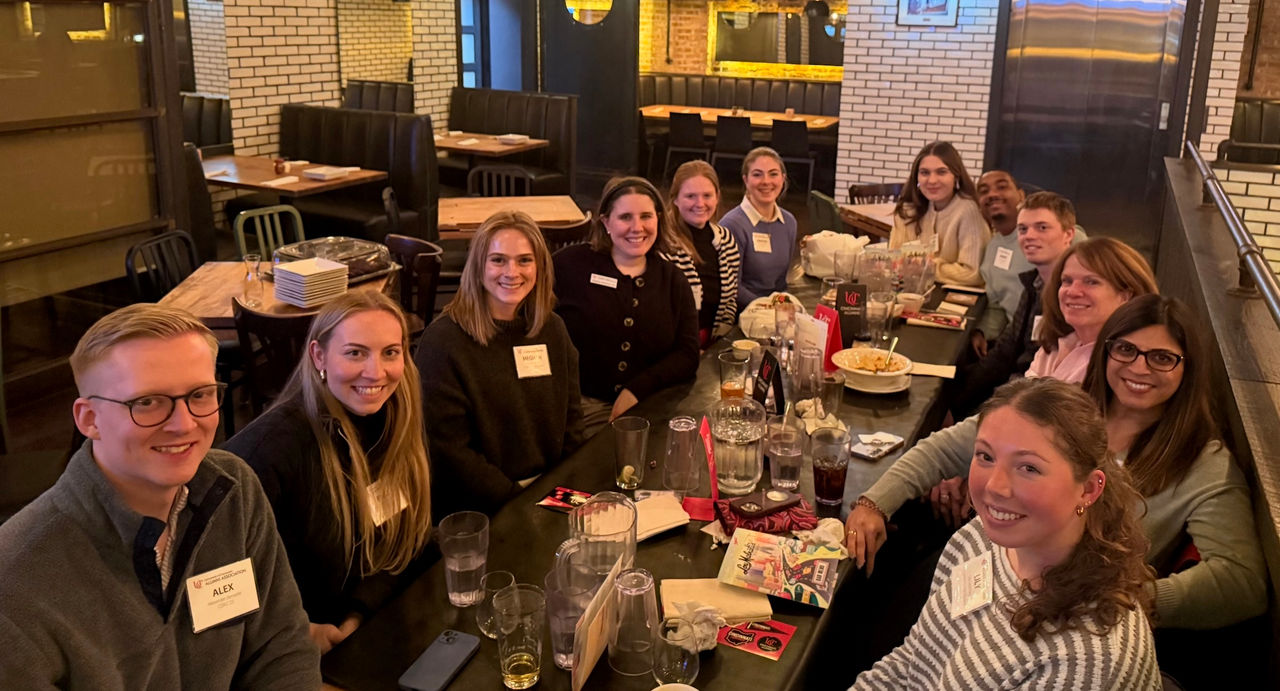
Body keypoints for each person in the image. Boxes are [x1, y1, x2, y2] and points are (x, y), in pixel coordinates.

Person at [847, 296, 1267, 630]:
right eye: (1125, 349)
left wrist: (1117, 597)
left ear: (1187, 370)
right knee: (875, 607)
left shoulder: (1202, 460)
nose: (1139, 367)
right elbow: (945, 447)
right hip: (983, 575)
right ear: (1105, 352)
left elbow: (1241, 582)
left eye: (1161, 357)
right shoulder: (1065, 409)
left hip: (1060, 621)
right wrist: (873, 504)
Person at [0, 304, 319, 687]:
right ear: (89, 419)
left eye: (199, 395)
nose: (184, 424)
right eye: (147, 402)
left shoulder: (234, 489)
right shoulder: (16, 581)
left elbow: (282, 645)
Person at [850, 378, 1159, 689]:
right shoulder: (980, 537)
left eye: (1029, 468)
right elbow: (911, 663)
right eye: (985, 456)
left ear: (1089, 489)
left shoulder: (1090, 662)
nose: (994, 487)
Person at [224, 292, 433, 654]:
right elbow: (219, 582)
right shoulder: (268, 451)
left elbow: (403, 543)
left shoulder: (392, 419)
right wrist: (296, 630)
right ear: (319, 355)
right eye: (355, 353)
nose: (376, 372)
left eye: (390, 352)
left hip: (365, 625)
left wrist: (358, 614)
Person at [416, 210, 584, 516]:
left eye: (524, 260)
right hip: (484, 507)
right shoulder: (442, 342)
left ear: (540, 267)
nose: (512, 272)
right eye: (498, 260)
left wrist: (564, 486)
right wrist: (517, 502)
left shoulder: (553, 329)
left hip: (550, 494)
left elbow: (572, 419)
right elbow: (448, 451)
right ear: (478, 266)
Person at [553, 176, 699, 428]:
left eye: (646, 216)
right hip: (576, 407)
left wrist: (636, 390)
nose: (637, 227)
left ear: (659, 220)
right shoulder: (568, 265)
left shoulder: (673, 279)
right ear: (606, 222)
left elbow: (687, 354)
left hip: (650, 406)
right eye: (625, 217)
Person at [948, 191, 1083, 418]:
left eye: (1042, 228)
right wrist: (952, 401)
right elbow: (1005, 351)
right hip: (1015, 391)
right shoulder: (1034, 283)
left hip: (1037, 408)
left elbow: (1039, 378)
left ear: (1068, 234)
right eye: (1023, 229)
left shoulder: (1073, 298)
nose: (1029, 236)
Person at [974, 174, 1089, 354]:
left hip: (1054, 346)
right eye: (983, 191)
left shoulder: (1072, 240)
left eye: (1002, 187)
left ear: (1021, 196)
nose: (992, 194)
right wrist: (982, 331)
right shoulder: (992, 248)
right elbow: (997, 305)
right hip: (1015, 341)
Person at [1026, 236, 1157, 382]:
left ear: (1125, 296)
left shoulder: (1127, 364)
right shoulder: (1055, 346)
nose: (1073, 292)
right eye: (1067, 281)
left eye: (1091, 282)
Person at [661, 160, 742, 347]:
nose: (700, 203)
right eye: (690, 196)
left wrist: (719, 343)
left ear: (717, 197)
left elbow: (730, 299)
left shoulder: (725, 239)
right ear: (675, 199)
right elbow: (660, 311)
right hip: (674, 346)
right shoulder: (663, 243)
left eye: (707, 195)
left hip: (715, 343)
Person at [889, 140, 990, 287]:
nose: (932, 180)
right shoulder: (908, 210)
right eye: (924, 173)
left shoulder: (968, 210)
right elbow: (896, 261)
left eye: (941, 172)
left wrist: (927, 267)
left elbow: (972, 274)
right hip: (913, 292)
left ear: (956, 175)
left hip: (954, 298)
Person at [719, 147, 799, 305]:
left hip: (775, 311)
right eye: (757, 174)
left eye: (773, 174)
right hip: (742, 313)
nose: (766, 181)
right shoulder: (732, 225)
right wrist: (769, 308)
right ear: (745, 180)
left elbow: (781, 283)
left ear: (783, 178)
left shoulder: (789, 222)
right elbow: (732, 288)